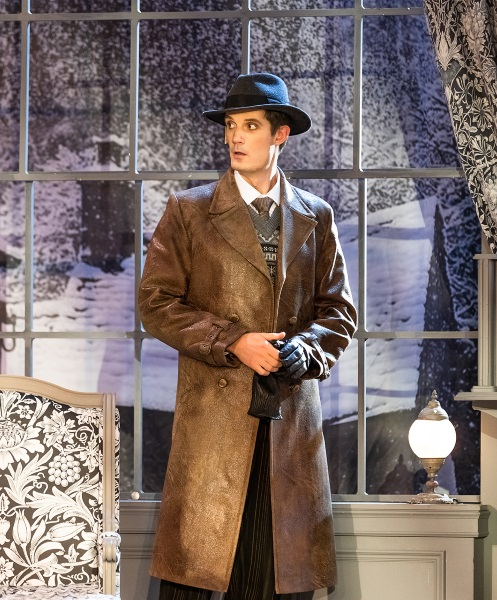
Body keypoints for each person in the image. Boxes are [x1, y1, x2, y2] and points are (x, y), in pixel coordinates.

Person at [138, 72, 357, 600]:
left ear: (280, 134)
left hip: (288, 420)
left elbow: (338, 311)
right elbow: (156, 304)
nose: (235, 137)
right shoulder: (189, 210)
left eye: (251, 126)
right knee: (194, 573)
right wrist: (234, 340)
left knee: (279, 575)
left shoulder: (315, 215)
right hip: (213, 421)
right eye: (231, 125)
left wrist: (307, 348)